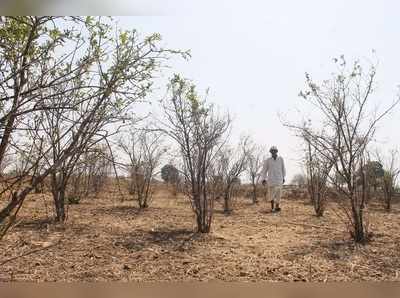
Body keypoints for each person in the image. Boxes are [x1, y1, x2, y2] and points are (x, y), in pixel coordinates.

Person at [260, 146, 286, 212]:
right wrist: (263, 179)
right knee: (271, 195)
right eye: (272, 151)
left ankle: (277, 207)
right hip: (271, 180)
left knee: (278, 194)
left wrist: (283, 177)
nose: (273, 152)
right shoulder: (268, 160)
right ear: (270, 152)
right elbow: (264, 170)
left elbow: (283, 168)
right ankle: (272, 208)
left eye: (274, 151)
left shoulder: (281, 159)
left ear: (277, 151)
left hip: (279, 179)